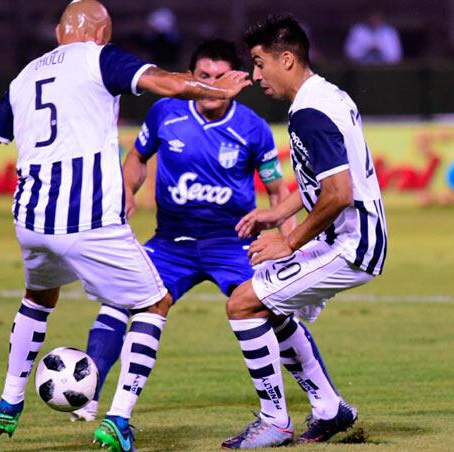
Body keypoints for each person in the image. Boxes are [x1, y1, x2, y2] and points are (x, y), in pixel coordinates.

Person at [0, 1, 250, 451]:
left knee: (39, 297)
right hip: (86, 220)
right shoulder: (99, 58)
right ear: (103, 32)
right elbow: (162, 83)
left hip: (31, 220)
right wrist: (215, 89)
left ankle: (10, 400)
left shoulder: (24, 78)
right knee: (154, 302)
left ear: (58, 32)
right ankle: (118, 419)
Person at [71, 39, 349, 434]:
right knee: (120, 297)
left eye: (221, 77)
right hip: (171, 242)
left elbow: (275, 191)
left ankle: (327, 401)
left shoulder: (252, 127)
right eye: (203, 77)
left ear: (236, 79)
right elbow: (136, 158)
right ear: (191, 77)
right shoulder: (165, 112)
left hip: (232, 242)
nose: (212, 85)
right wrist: (127, 192)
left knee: (273, 306)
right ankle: (87, 388)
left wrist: (290, 247)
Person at [220, 14, 388, 448]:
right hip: (349, 238)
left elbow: (339, 193)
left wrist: (288, 240)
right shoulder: (326, 95)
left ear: (287, 59)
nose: (255, 76)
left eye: (259, 64)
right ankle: (331, 409)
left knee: (242, 305)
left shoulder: (310, 112)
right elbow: (322, 181)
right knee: (268, 307)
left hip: (353, 244)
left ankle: (275, 421)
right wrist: (278, 213)